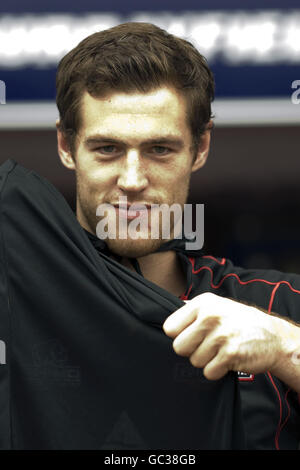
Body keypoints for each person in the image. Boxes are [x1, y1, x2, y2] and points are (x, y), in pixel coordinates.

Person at [0, 21, 299, 450]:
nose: (133, 179)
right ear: (66, 146)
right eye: (108, 149)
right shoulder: (13, 305)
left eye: (160, 149)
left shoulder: (277, 306)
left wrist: (286, 349)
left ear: (201, 147)